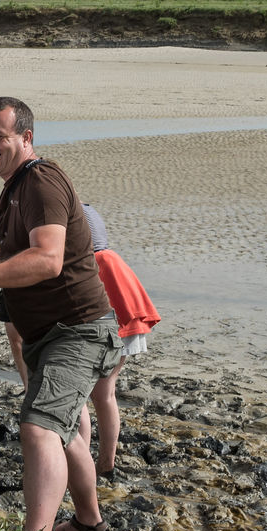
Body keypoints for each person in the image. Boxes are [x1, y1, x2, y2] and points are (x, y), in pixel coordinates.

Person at [0, 97, 121, 531]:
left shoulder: (40, 180)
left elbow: (48, 259)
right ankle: (88, 524)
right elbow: (15, 239)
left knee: (38, 428)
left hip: (77, 331)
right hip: (47, 336)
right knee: (66, 429)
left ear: (26, 138)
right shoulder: (16, 185)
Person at [82, 204, 159, 481]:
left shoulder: (89, 259)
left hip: (112, 316)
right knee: (105, 394)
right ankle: (105, 463)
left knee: (89, 394)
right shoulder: (88, 214)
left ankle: (94, 463)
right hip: (125, 312)